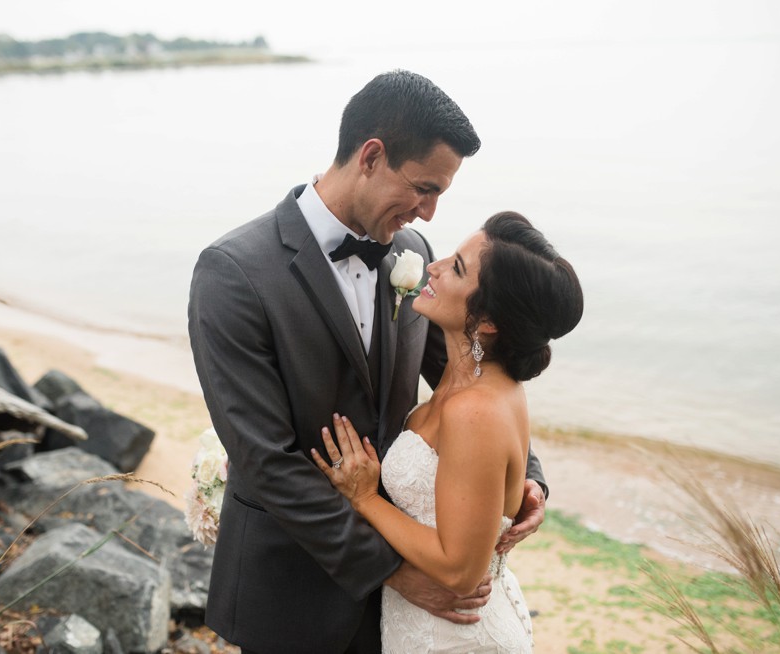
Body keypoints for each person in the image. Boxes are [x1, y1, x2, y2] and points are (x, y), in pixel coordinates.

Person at [188, 70, 549, 654]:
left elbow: (474, 373)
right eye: (424, 188)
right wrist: (391, 571)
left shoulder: (412, 254)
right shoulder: (233, 273)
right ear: (372, 156)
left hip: (406, 605)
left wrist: (525, 475)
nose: (429, 213)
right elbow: (264, 459)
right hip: (293, 592)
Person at [314, 212, 584, 652]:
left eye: (456, 267)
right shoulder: (478, 382)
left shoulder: (474, 410)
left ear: (490, 321)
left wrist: (363, 498)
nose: (433, 266)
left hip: (454, 635)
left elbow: (460, 570)